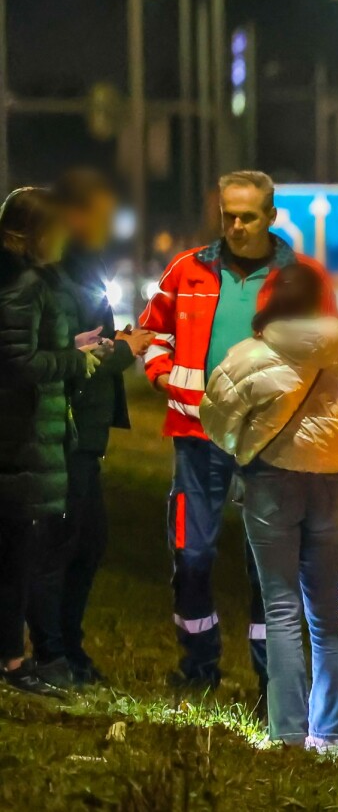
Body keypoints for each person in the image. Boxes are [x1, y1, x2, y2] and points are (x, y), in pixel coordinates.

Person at [139, 170, 333, 695]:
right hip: (197, 436)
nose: (238, 226)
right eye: (229, 216)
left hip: (270, 443)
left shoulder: (300, 279)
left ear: (271, 217)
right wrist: (162, 376)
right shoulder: (186, 270)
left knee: (268, 565)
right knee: (191, 554)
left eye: (249, 216)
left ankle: (273, 679)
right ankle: (198, 667)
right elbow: (152, 333)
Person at [201, 263, 338, 750]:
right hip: (330, 487)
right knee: (326, 610)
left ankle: (287, 733)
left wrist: (245, 446)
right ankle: (336, 731)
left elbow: (215, 417)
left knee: (280, 608)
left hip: (270, 486)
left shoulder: (249, 356)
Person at [27, 170, 153, 690]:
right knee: (63, 543)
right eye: (100, 214)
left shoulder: (81, 266)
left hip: (85, 430)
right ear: (76, 215)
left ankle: (66, 648)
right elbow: (69, 354)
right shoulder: (55, 272)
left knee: (86, 540)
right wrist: (126, 348)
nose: (107, 224)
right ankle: (53, 652)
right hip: (66, 430)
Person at [0, 187, 104, 697]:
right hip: (22, 440)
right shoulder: (24, 284)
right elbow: (18, 361)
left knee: (20, 551)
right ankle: (20, 662)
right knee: (19, 553)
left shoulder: (36, 282)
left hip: (35, 435)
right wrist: (72, 360)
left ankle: (17, 659)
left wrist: (76, 347)